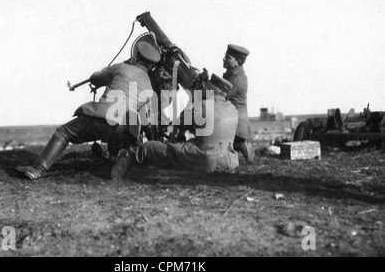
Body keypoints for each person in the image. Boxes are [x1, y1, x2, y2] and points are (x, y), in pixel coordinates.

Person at [16, 41, 161, 180]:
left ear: (135, 56)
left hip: (103, 116)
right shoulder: (149, 87)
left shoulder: (122, 67)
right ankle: (120, 159)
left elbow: (95, 78)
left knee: (64, 132)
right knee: (126, 140)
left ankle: (38, 169)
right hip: (124, 127)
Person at [110, 74, 239, 180]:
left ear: (211, 89)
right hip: (230, 163)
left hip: (206, 161)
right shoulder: (233, 109)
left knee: (148, 147)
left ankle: (126, 157)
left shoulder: (204, 105)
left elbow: (181, 122)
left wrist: (192, 99)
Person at [223, 44, 255, 163]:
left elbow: (223, 95)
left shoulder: (236, 79)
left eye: (228, 57)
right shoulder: (234, 74)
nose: (224, 59)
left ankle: (249, 158)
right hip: (235, 117)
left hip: (237, 120)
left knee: (240, 142)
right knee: (237, 143)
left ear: (238, 63)